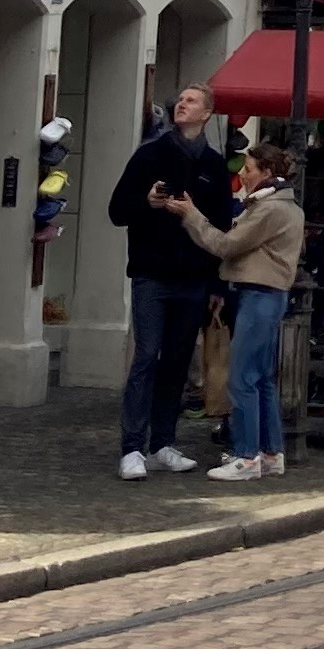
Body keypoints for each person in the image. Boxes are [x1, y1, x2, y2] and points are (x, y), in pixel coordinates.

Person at [110, 82, 234, 480]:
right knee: (147, 356)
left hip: (194, 278)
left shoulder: (214, 165)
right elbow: (117, 210)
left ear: (207, 114)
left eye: (191, 101)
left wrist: (217, 285)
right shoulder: (151, 154)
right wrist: (146, 204)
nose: (181, 104)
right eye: (179, 99)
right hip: (152, 273)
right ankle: (132, 446)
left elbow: (222, 227)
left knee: (178, 361)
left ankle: (163, 442)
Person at [166, 131, 304, 482]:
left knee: (242, 378)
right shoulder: (281, 206)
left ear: (267, 171)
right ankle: (271, 453)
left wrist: (191, 215)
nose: (243, 174)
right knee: (262, 380)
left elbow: (226, 245)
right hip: (267, 296)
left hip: (260, 295)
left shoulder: (269, 210)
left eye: (250, 168)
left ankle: (247, 456)